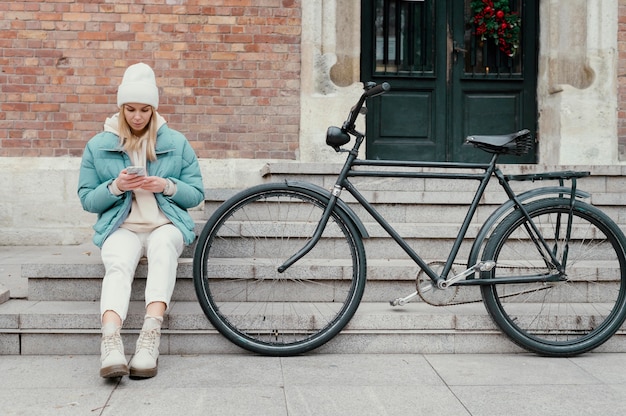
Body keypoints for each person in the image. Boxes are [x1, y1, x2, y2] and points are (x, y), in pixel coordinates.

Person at [78, 63, 205, 379]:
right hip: (121, 227)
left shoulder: (175, 142)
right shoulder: (98, 145)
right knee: (119, 263)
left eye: (144, 109)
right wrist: (116, 186)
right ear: (121, 108)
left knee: (163, 250)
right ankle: (111, 342)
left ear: (153, 109)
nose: (137, 116)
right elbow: (87, 199)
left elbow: (196, 194)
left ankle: (150, 338)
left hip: (165, 224)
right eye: (131, 109)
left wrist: (166, 185)